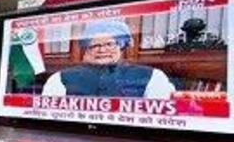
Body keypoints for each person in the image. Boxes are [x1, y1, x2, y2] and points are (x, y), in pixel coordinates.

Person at [42, 20, 176, 98]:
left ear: (122, 46)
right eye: (94, 45)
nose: (102, 50)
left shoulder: (153, 76)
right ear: (86, 49)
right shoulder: (59, 78)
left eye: (109, 44)